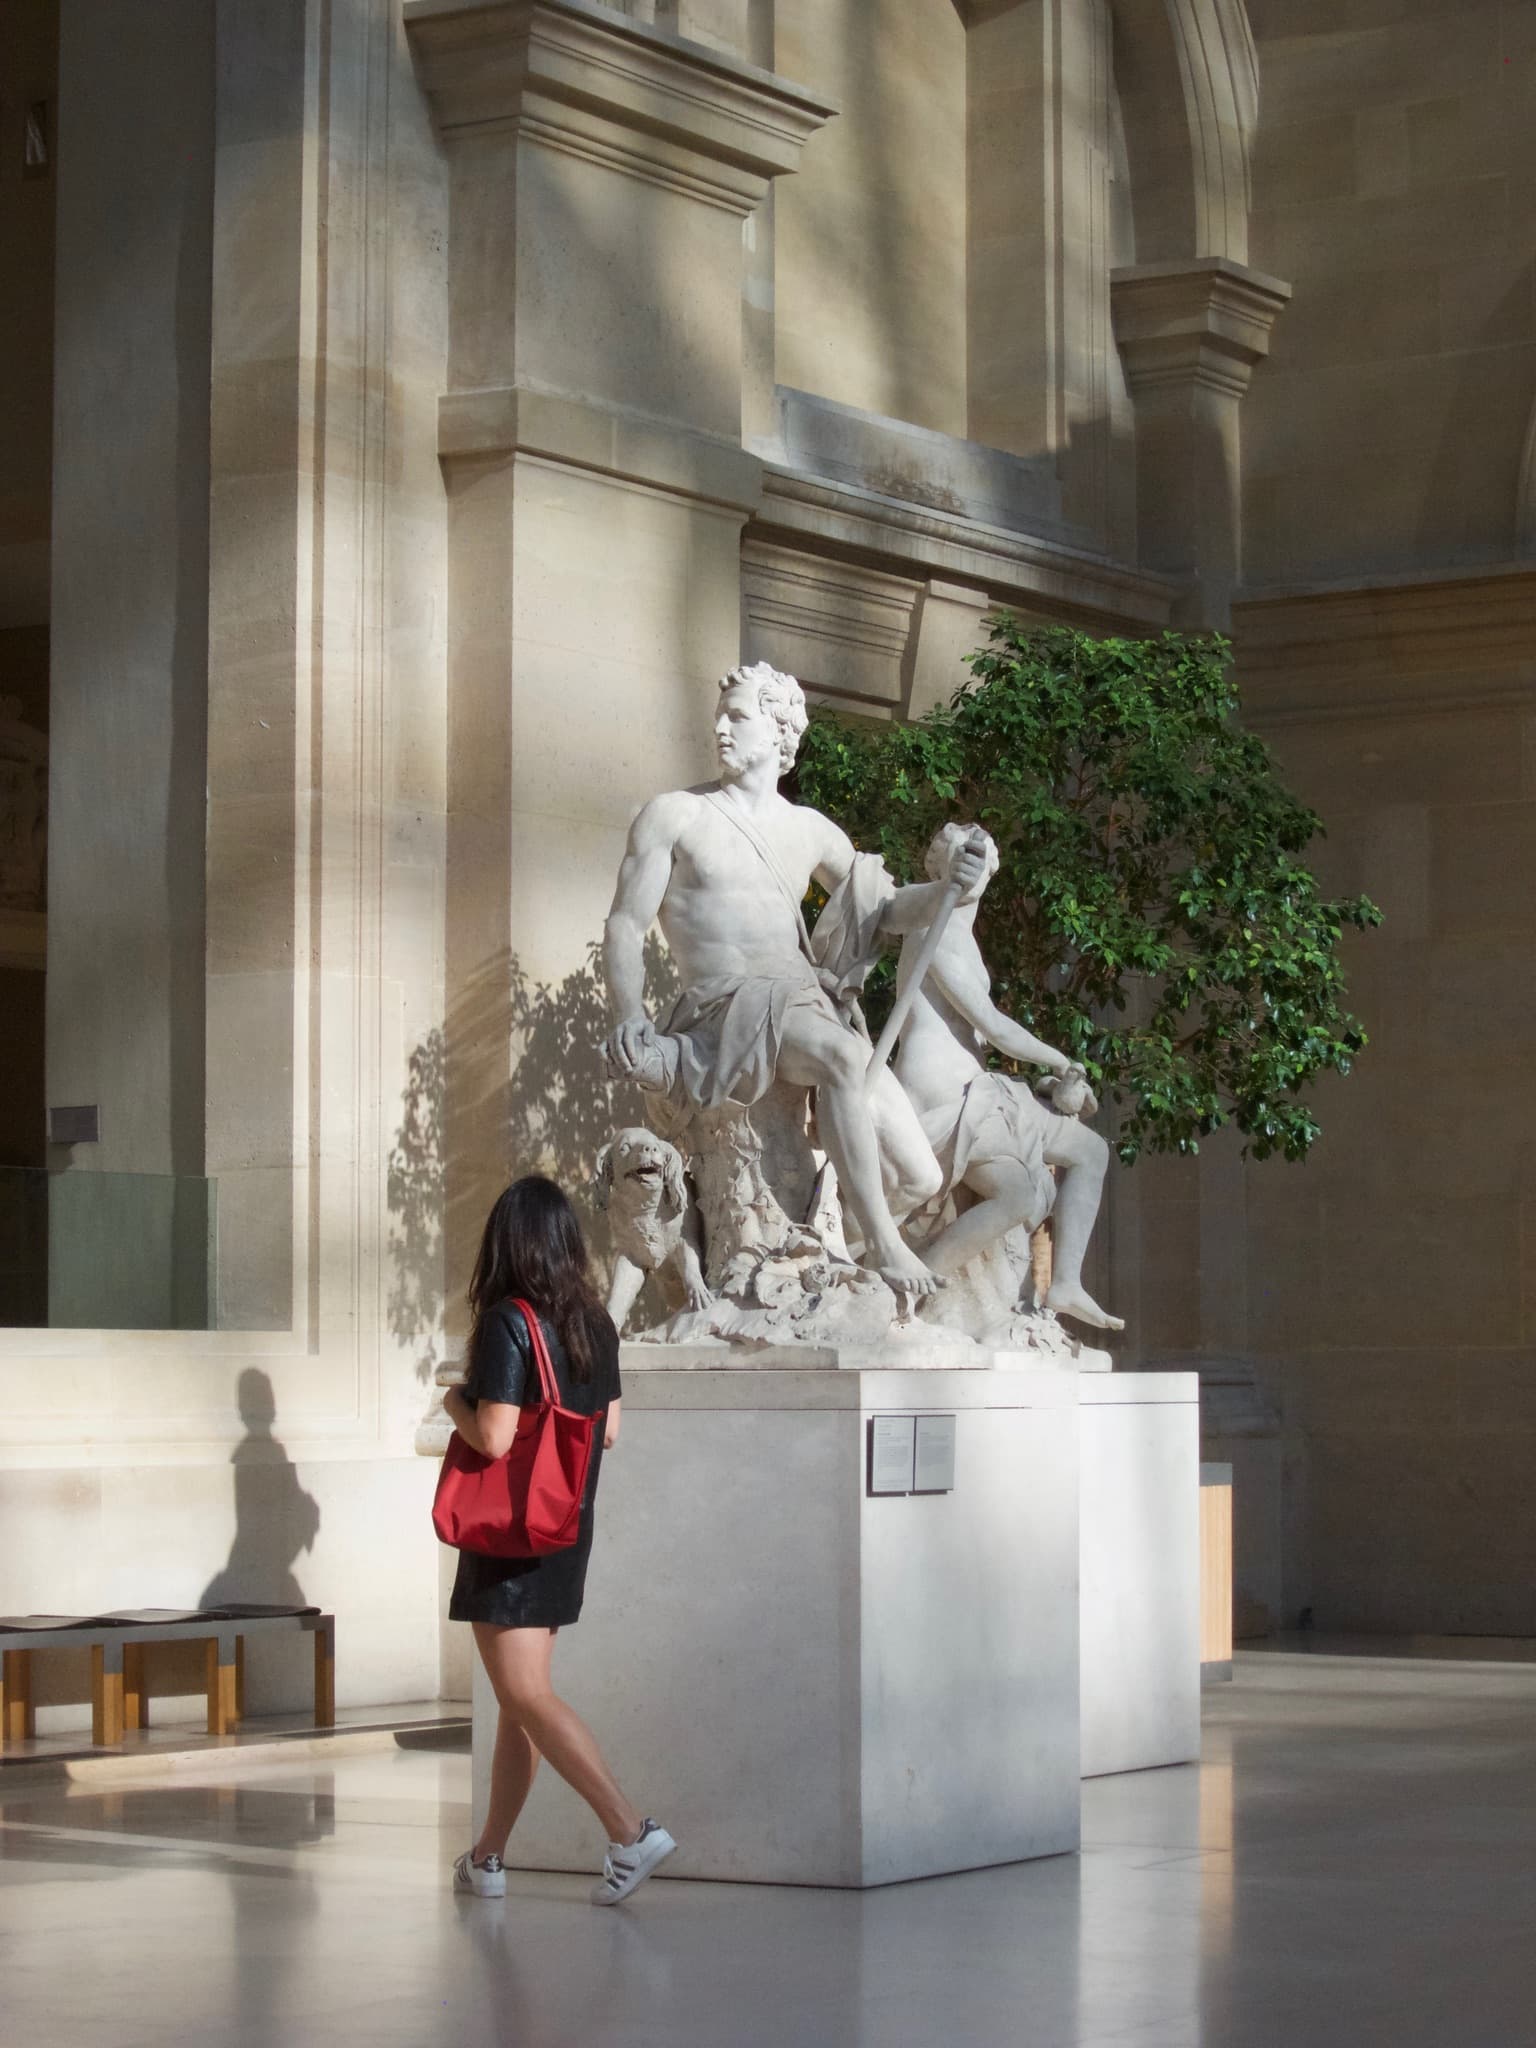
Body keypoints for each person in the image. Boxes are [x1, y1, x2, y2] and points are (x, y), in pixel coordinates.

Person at [602, 661, 987, 1300]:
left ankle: (830, 1251)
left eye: (739, 716)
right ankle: (884, 1247)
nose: (721, 729)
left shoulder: (807, 828)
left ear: (781, 733)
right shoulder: (674, 815)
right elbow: (623, 925)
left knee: (919, 1172)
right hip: (723, 1003)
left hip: (801, 1000)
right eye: (719, 715)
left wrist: (952, 888)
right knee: (839, 1057)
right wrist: (626, 1012)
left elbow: (886, 905)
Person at [440, 1176, 676, 1904]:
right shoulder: (596, 1323)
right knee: (521, 1701)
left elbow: (495, 1433)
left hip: (509, 1533)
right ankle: (488, 1859)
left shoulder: (508, 1323)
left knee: (524, 1692)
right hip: (565, 1528)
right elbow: (609, 1431)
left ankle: (630, 1831)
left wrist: (453, 1396)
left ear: (506, 1243)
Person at [893, 824, 1122, 1331]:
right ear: (938, 866)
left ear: (991, 870)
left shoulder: (962, 936)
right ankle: (912, 1289)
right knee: (1031, 1186)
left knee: (1082, 1156)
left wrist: (1045, 1084)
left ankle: (1064, 1283)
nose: (969, 862)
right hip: (941, 1094)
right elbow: (992, 1025)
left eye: (980, 853)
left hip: (977, 1088)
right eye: (958, 852)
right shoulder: (931, 924)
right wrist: (1060, 1062)